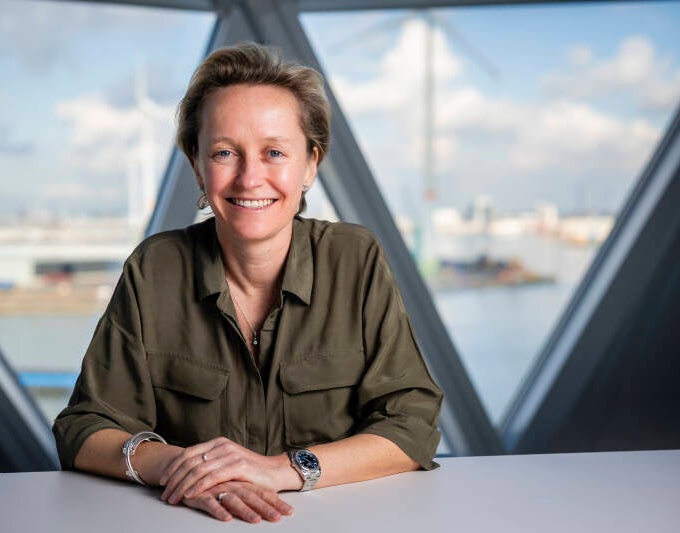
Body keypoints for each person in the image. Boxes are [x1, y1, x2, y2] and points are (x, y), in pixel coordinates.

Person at [53, 42, 443, 523]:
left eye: (274, 152)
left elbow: (412, 422)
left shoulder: (354, 259)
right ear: (197, 165)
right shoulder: (156, 268)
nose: (249, 177)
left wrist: (280, 469)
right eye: (224, 153)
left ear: (310, 164)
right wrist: (182, 468)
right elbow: (84, 427)